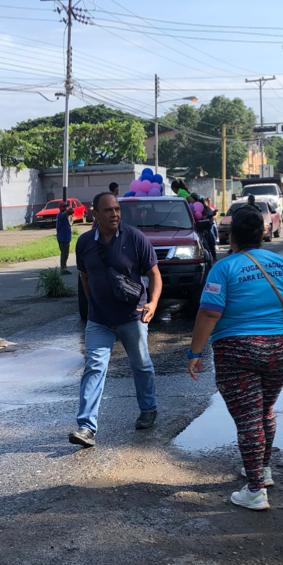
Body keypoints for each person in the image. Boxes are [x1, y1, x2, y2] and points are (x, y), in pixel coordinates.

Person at [187, 206, 283, 511]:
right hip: (279, 348)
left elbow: (210, 312)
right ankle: (261, 470)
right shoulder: (282, 264)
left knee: (249, 417)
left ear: (233, 235)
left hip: (238, 350)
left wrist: (195, 352)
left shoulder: (224, 269)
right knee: (265, 409)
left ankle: (255, 490)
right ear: (263, 233)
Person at [70, 192, 163, 448]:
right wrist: (93, 306)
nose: (115, 214)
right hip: (99, 319)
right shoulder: (85, 242)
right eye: (108, 210)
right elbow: (85, 277)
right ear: (95, 213)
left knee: (141, 365)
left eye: (117, 209)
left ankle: (148, 409)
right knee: (94, 367)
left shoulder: (134, 238)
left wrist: (152, 303)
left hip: (132, 315)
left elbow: (155, 274)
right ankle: (86, 427)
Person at [55, 202, 74, 274]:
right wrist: (68, 210)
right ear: (60, 208)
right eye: (63, 207)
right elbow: (68, 212)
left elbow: (70, 212)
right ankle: (63, 269)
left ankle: (64, 268)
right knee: (63, 253)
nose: (65, 208)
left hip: (66, 238)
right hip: (62, 238)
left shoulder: (66, 216)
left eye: (65, 207)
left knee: (66, 254)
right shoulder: (60, 215)